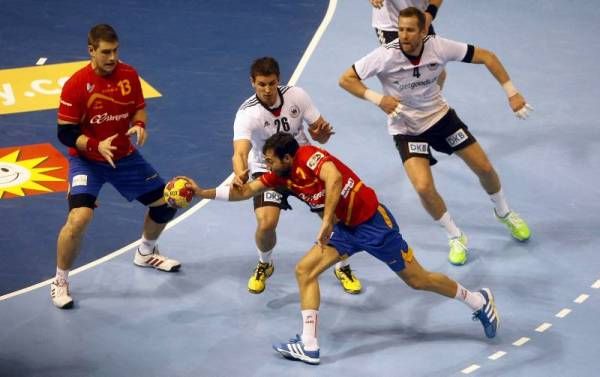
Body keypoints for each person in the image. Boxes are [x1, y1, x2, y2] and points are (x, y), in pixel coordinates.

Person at [182, 132, 499, 365]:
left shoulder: (309, 157)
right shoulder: (279, 176)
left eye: (270, 159)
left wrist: (327, 220)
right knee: (304, 270)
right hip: (344, 231)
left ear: (288, 158)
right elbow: (244, 192)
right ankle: (309, 344)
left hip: (374, 224)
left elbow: (333, 179)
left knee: (418, 280)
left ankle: (477, 300)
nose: (266, 164)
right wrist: (201, 192)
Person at [339, 7, 532, 266]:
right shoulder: (385, 55)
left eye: (410, 30)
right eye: (400, 29)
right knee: (423, 187)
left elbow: (487, 56)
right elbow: (346, 79)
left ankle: (504, 212)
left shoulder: (439, 47)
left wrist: (512, 93)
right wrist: (378, 99)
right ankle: (455, 236)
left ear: (422, 32)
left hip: (440, 118)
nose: (404, 35)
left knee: (484, 167)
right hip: (406, 128)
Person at [51, 24, 180, 309]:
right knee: (79, 218)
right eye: (106, 52)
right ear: (91, 51)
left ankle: (145, 253)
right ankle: (60, 280)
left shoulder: (129, 74)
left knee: (167, 203)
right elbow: (65, 132)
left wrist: (139, 123)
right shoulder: (76, 84)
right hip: (87, 161)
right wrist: (96, 146)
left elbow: (139, 106)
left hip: (124, 157)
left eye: (116, 51)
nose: (112, 58)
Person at [232, 57, 362, 294]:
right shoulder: (247, 114)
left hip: (302, 164)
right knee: (266, 223)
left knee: (334, 219)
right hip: (267, 168)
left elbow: (321, 135)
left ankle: (342, 266)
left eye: (271, 83)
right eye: (261, 84)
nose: (268, 90)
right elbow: (240, 152)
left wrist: (322, 135)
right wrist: (240, 171)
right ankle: (265, 263)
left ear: (278, 80)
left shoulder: (297, 96)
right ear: (252, 82)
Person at [370, 0, 447, 87]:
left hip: (419, 19)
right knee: (404, 81)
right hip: (391, 25)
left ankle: (432, 99)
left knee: (439, 74)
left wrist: (430, 13)